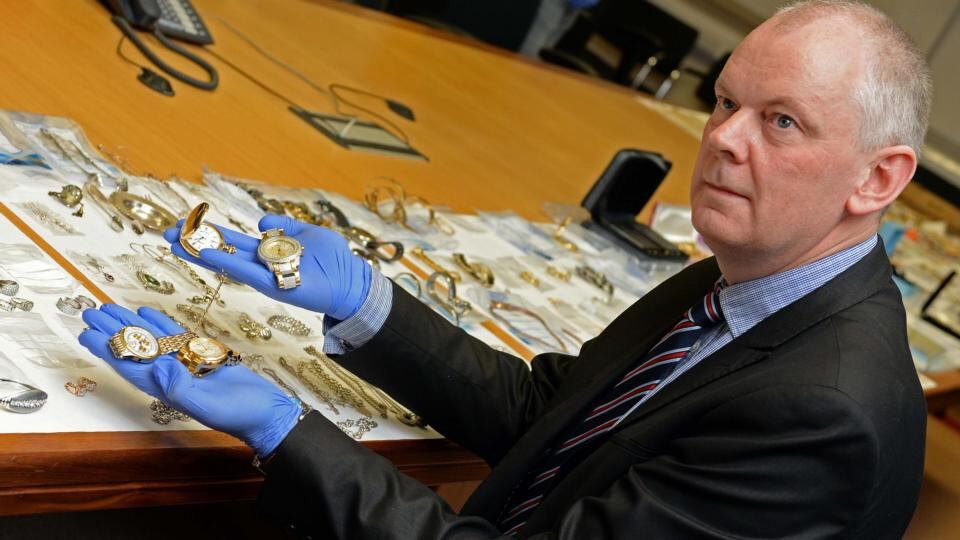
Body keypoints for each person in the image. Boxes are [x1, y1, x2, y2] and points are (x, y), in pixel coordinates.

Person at [79, 1, 932, 537]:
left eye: (781, 122)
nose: (723, 139)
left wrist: (288, 432)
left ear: (878, 178)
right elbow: (545, 414)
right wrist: (367, 302)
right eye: (726, 101)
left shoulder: (820, 417)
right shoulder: (757, 272)